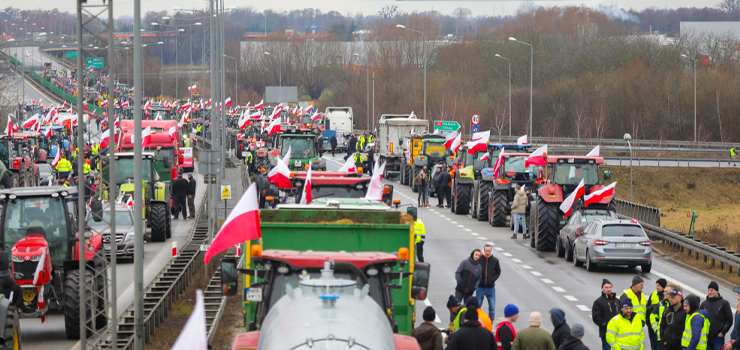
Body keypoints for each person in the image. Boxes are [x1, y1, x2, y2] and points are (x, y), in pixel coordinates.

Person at [700, 282, 733, 350]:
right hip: (706, 337)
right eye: (709, 290)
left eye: (712, 290)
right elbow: (700, 318)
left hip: (718, 338)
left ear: (717, 291)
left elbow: (729, 319)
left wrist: (722, 332)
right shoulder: (704, 304)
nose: (710, 292)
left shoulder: (724, 303)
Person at [594, 279, 622, 350]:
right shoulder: (598, 302)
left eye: (610, 287)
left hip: (619, 332)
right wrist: (605, 325)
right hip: (606, 333)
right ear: (602, 288)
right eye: (606, 287)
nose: (608, 289)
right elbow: (596, 317)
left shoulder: (617, 301)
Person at [477, 244, 501, 321]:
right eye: (486, 251)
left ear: (491, 251)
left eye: (489, 251)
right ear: (483, 250)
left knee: (492, 307)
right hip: (480, 287)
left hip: (491, 288)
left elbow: (498, 272)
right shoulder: (479, 260)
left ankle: (490, 324)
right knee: (477, 307)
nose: (487, 252)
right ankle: (477, 323)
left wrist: (492, 279)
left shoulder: (495, 260)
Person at [651, 284, 675, 350]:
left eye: (666, 292)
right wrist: (657, 329)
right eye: (664, 291)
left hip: (675, 341)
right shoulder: (661, 304)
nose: (663, 293)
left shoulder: (678, 305)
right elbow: (652, 317)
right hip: (661, 339)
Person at [648, 279, 668, 350]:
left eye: (658, 286)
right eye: (656, 285)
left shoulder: (668, 299)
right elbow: (647, 309)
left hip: (664, 330)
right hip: (654, 327)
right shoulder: (653, 294)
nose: (657, 287)